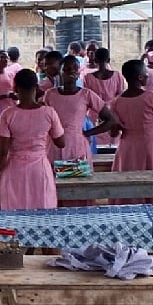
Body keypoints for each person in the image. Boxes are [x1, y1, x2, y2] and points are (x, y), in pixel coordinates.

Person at [0, 68, 65, 210]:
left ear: (15, 88)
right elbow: (61, 142)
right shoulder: (49, 112)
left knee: (14, 215)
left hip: (14, 170)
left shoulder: (8, 115)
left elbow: (2, 152)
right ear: (37, 88)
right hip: (39, 169)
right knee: (41, 213)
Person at [44, 56, 117, 206]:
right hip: (54, 145)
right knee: (54, 186)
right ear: (60, 72)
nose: (70, 72)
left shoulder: (86, 94)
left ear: (79, 73)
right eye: (66, 69)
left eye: (74, 70)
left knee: (79, 186)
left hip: (78, 147)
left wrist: (87, 133)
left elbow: (111, 120)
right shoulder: (50, 95)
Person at [109, 60, 153, 204]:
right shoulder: (151, 97)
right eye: (146, 73)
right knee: (151, 178)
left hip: (126, 146)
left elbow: (114, 132)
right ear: (140, 77)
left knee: (127, 178)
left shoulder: (116, 102)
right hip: (148, 145)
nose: (148, 76)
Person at [83, 47, 125, 146]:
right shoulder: (117, 76)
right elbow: (120, 97)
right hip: (112, 113)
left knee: (95, 143)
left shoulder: (87, 78)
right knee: (112, 146)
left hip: (94, 113)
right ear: (109, 60)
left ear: (95, 60)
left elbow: (86, 100)